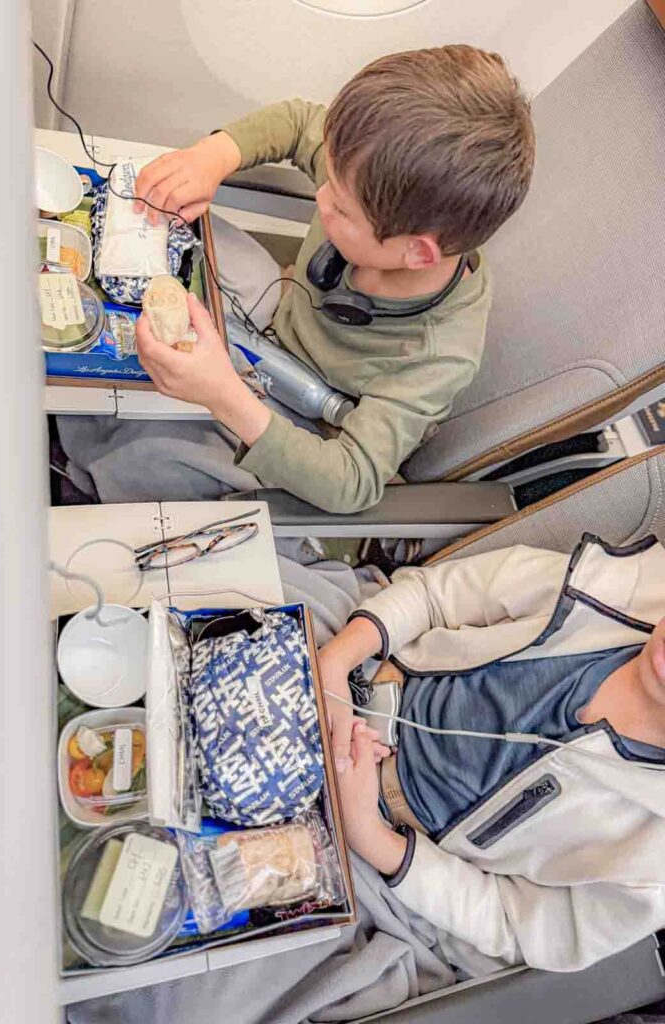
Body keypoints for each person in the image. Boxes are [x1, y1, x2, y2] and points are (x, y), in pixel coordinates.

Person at [58, 45, 535, 513]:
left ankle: (72, 459)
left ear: (416, 252)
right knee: (164, 228)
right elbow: (300, 120)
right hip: (276, 309)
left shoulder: (439, 355)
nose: (321, 198)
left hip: (302, 412)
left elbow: (353, 481)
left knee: (160, 462)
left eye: (341, 209)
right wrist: (213, 157)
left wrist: (225, 398)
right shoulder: (367, 171)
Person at [318, 533, 665, 971]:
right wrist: (333, 664)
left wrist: (367, 832)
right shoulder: (613, 583)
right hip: (360, 659)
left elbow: (509, 921)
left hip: (379, 847)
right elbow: (434, 596)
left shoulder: (652, 868)